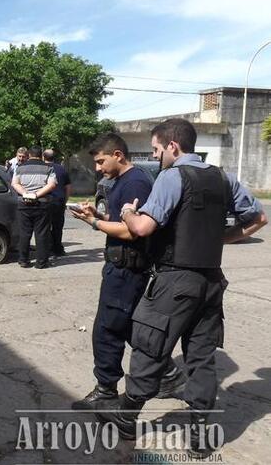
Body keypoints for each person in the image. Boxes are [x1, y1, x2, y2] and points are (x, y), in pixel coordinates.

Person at [97, 118, 267, 458]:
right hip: (211, 282)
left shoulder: (172, 177)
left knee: (150, 346)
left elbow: (144, 227)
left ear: (173, 146)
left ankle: (127, 416)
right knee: (201, 358)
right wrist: (222, 239)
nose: (157, 157)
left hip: (174, 281)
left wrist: (130, 212)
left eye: (158, 150)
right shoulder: (223, 177)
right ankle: (201, 435)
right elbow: (259, 218)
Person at [69, 132, 185, 411]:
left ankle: (106, 389)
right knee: (132, 328)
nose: (98, 168)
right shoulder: (123, 181)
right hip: (123, 268)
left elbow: (132, 231)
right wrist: (96, 216)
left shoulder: (135, 182)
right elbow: (119, 219)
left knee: (107, 329)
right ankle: (168, 375)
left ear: (118, 155)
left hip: (127, 270)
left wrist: (94, 225)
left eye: (100, 161)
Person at [12, 145, 56, 268]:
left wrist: (26, 193)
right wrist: (36, 195)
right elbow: (52, 185)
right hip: (42, 203)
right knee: (41, 233)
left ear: (29, 155)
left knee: (24, 233)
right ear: (41, 155)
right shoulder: (48, 168)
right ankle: (41, 262)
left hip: (23, 203)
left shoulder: (20, 168)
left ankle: (23, 260)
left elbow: (14, 183)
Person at [43, 149, 72, 257]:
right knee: (58, 227)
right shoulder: (62, 169)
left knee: (45, 226)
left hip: (45, 200)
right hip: (59, 201)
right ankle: (58, 249)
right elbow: (68, 187)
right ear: (54, 157)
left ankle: (48, 248)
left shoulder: (41, 168)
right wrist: (65, 200)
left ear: (43, 157)